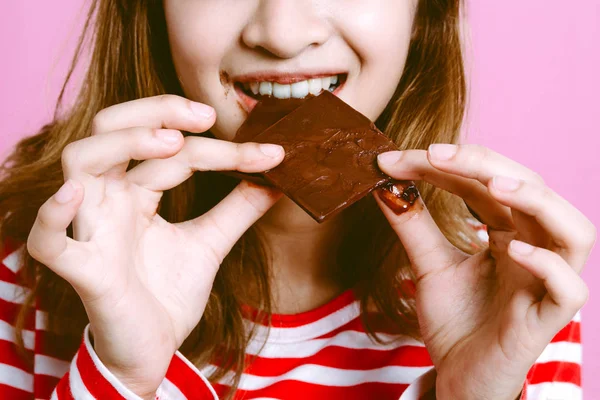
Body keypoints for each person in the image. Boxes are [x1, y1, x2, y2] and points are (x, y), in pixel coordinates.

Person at [0, 0, 594, 399]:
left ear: (424, 12)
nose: (281, 35)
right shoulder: (33, 270)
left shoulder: (510, 291)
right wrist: (122, 375)